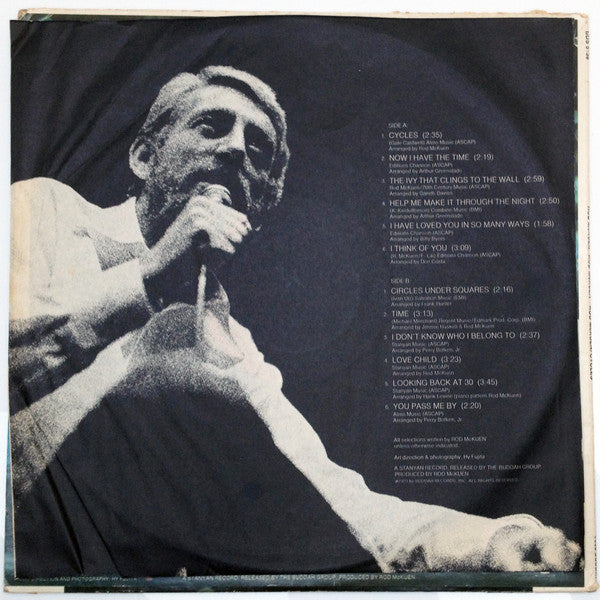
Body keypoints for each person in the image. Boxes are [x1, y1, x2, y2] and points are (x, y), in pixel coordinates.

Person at [9, 66, 581, 577]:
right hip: (21, 551)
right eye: (211, 126)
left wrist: (490, 542)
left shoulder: (234, 350)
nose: (236, 149)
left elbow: (340, 500)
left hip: (127, 582)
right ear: (144, 158)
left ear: (259, 207)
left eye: (258, 149)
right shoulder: (47, 213)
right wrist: (152, 276)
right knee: (175, 385)